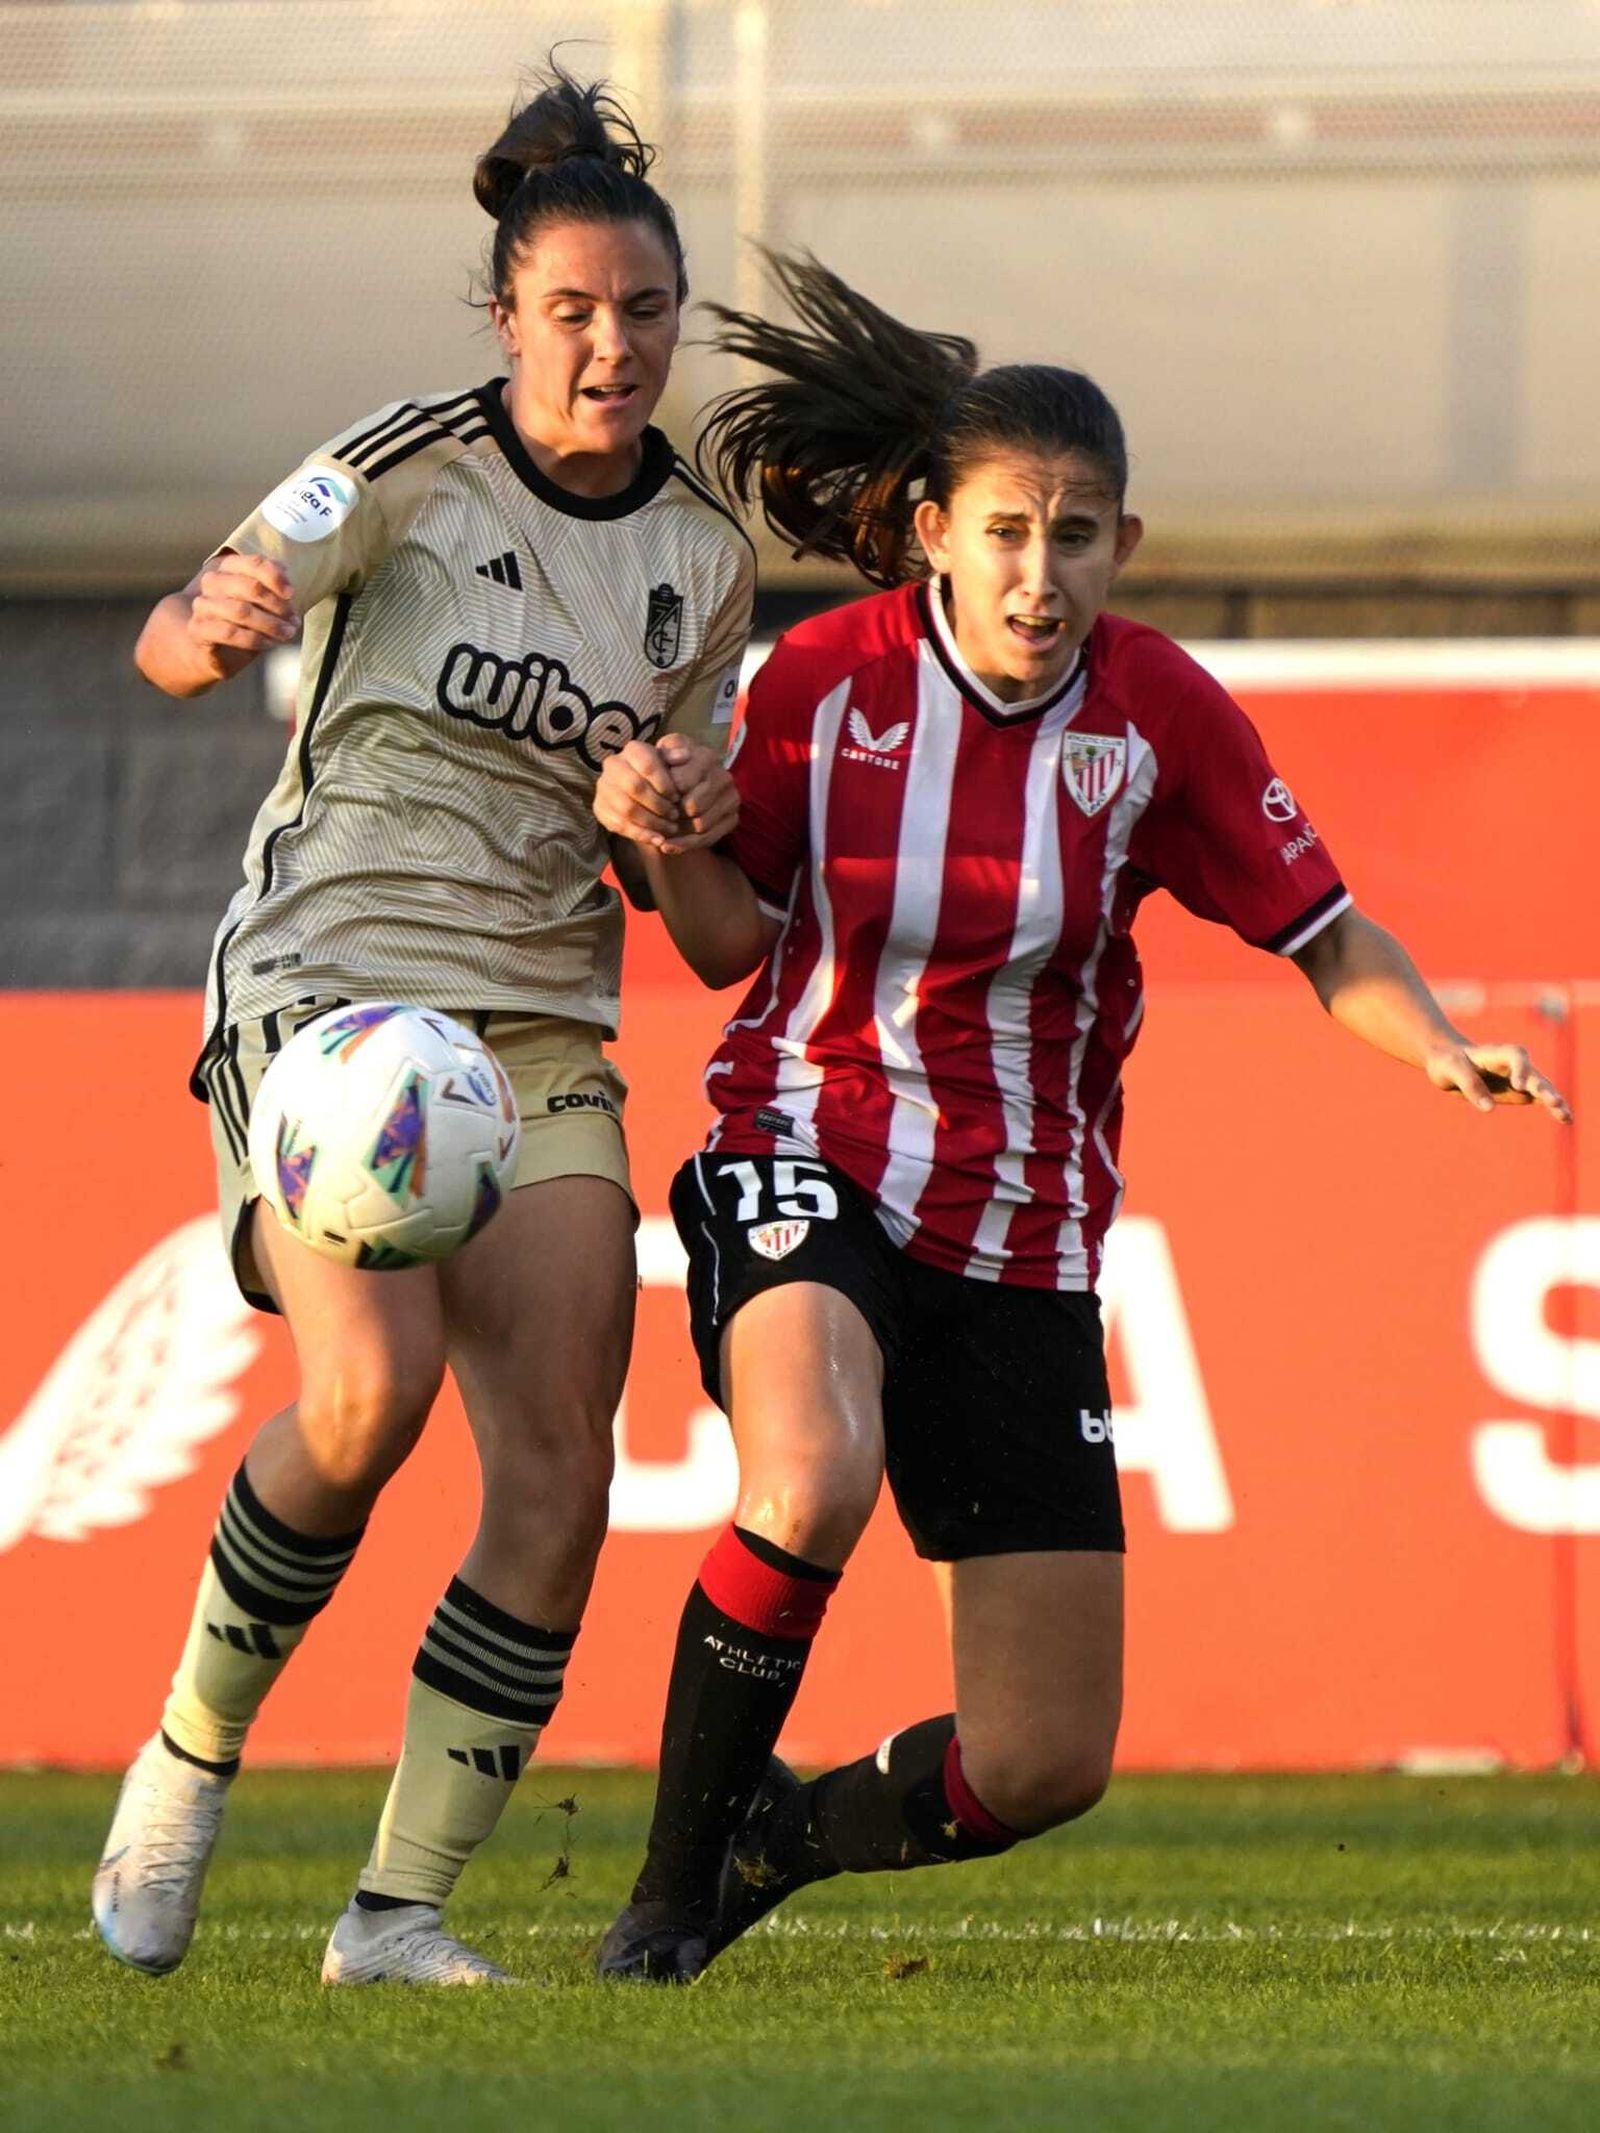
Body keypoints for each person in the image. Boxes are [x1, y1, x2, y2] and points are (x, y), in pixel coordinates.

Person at [590, 253, 1572, 1982]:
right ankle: (659, 1906)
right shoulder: (826, 681)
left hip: (1022, 1234)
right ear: (937, 532)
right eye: (1009, 532)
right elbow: (734, 943)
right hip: (803, 1149)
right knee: (807, 1474)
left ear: (1125, 543)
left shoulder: (1160, 713)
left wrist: (1434, 1044)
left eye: (1081, 534)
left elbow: (1324, 927)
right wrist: (667, 845)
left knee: (1045, 1762)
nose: (1042, 575)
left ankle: (775, 1839)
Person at [92, 63, 754, 1988]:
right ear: (504, 316)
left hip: (539, 1028)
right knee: (363, 1398)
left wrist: (664, 823)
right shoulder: (399, 463)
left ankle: (396, 1914)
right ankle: (185, 1763)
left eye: (641, 313)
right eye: (570, 311)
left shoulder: (703, 565)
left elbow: (702, 924)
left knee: (560, 1472)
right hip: (333, 988)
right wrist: (209, 629)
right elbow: (173, 631)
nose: (610, 346)